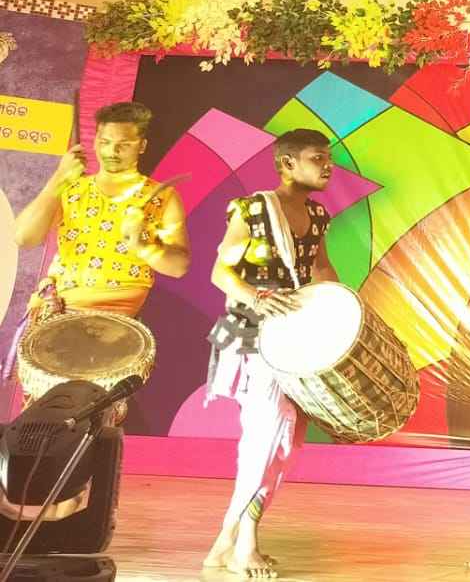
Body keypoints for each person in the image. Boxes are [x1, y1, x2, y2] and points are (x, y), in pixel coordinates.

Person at [201, 129, 336, 578]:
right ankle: (243, 546)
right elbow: (221, 272)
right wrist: (257, 297)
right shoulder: (252, 209)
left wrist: (347, 312)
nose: (328, 166)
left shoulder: (317, 215)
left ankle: (229, 540)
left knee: (286, 443)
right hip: (254, 335)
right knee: (264, 435)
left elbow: (320, 268)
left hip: (294, 336)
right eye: (317, 158)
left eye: (328, 158)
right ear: (287, 164)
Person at [10, 101, 189, 416]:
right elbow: (24, 237)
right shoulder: (72, 188)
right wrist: (58, 179)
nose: (112, 151)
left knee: (96, 421)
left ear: (142, 145)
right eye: (104, 142)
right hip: (60, 318)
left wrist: (143, 244)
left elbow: (178, 267)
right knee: (44, 420)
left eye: (123, 144)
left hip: (114, 330)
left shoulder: (161, 197)